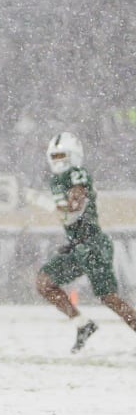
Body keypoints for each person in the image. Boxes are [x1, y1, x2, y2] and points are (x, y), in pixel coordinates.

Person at [24, 131, 136, 353]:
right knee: (45, 283)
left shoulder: (78, 175)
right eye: (53, 157)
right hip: (77, 246)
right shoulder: (56, 180)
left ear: (73, 155)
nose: (57, 161)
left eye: (61, 156)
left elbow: (73, 211)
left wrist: (43, 203)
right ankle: (82, 323)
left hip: (93, 244)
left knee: (109, 298)